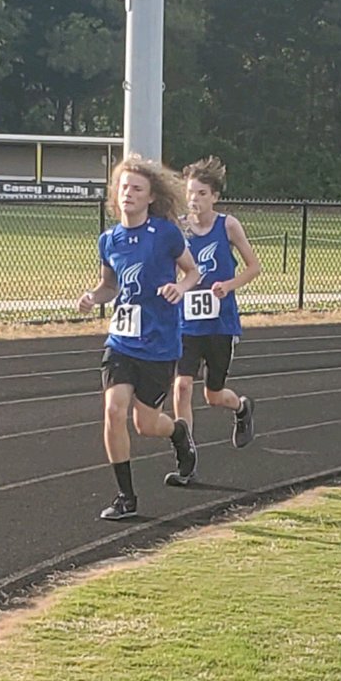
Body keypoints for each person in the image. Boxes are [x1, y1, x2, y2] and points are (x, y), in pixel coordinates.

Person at [78, 156, 201, 519]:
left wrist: (179, 288)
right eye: (123, 187)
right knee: (114, 410)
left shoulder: (164, 234)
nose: (128, 193)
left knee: (146, 425)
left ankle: (178, 433)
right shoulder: (109, 240)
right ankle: (126, 498)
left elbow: (192, 272)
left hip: (159, 343)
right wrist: (92, 297)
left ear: (150, 197)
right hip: (121, 342)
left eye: (136, 188)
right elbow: (109, 286)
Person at [164, 156, 262, 486]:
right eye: (190, 192)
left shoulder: (228, 226)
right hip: (187, 321)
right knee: (181, 386)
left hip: (220, 323)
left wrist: (227, 287)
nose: (194, 199)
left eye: (202, 193)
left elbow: (253, 267)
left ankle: (241, 408)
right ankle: (186, 456)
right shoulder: (178, 228)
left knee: (214, 395)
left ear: (214, 196)